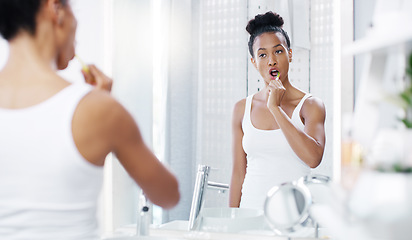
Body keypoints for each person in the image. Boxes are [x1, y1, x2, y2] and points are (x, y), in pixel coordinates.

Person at [0, 0, 180, 239]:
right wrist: (106, 110)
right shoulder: (100, 110)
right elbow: (168, 194)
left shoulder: (96, 107)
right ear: (55, 9)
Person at [229, 11, 326, 210]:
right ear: (254, 62)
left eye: (278, 51)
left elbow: (313, 158)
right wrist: (231, 225)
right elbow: (238, 173)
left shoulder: (311, 105)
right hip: (250, 216)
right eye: (262, 54)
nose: (271, 60)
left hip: (294, 219)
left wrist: (275, 108)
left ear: (290, 54)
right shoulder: (241, 109)